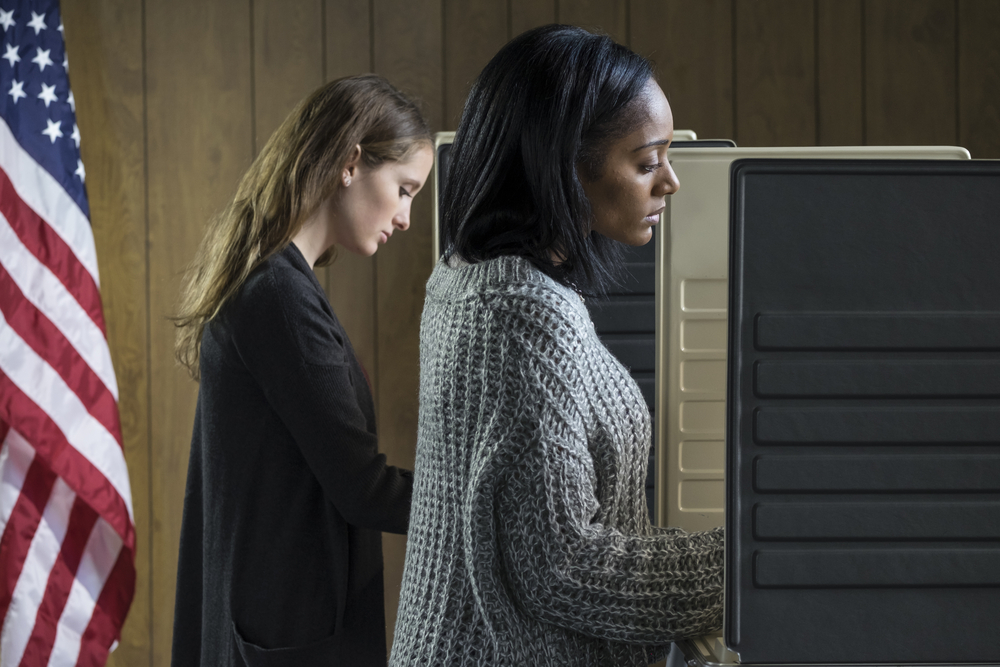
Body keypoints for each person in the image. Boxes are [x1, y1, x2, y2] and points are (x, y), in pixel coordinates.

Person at [390, 25, 723, 666]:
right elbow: (562, 564)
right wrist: (740, 567)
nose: (670, 183)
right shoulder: (521, 313)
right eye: (648, 162)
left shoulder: (469, 276)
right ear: (568, 165)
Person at [171, 74, 433, 667]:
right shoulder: (278, 296)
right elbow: (363, 490)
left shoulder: (277, 282)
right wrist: (488, 508)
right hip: (287, 635)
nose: (408, 217)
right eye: (404, 189)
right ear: (350, 163)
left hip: (278, 622)